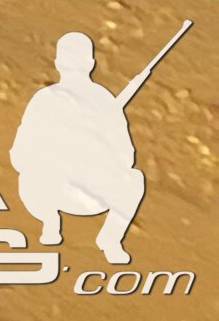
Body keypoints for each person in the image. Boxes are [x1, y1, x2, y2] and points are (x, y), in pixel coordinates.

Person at [12, 31, 152, 265]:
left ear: (58, 63)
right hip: (82, 194)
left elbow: (20, 154)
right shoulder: (100, 101)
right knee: (133, 179)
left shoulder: (46, 99)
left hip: (67, 192)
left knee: (133, 178)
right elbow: (126, 157)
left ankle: (59, 224)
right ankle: (62, 225)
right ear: (90, 63)